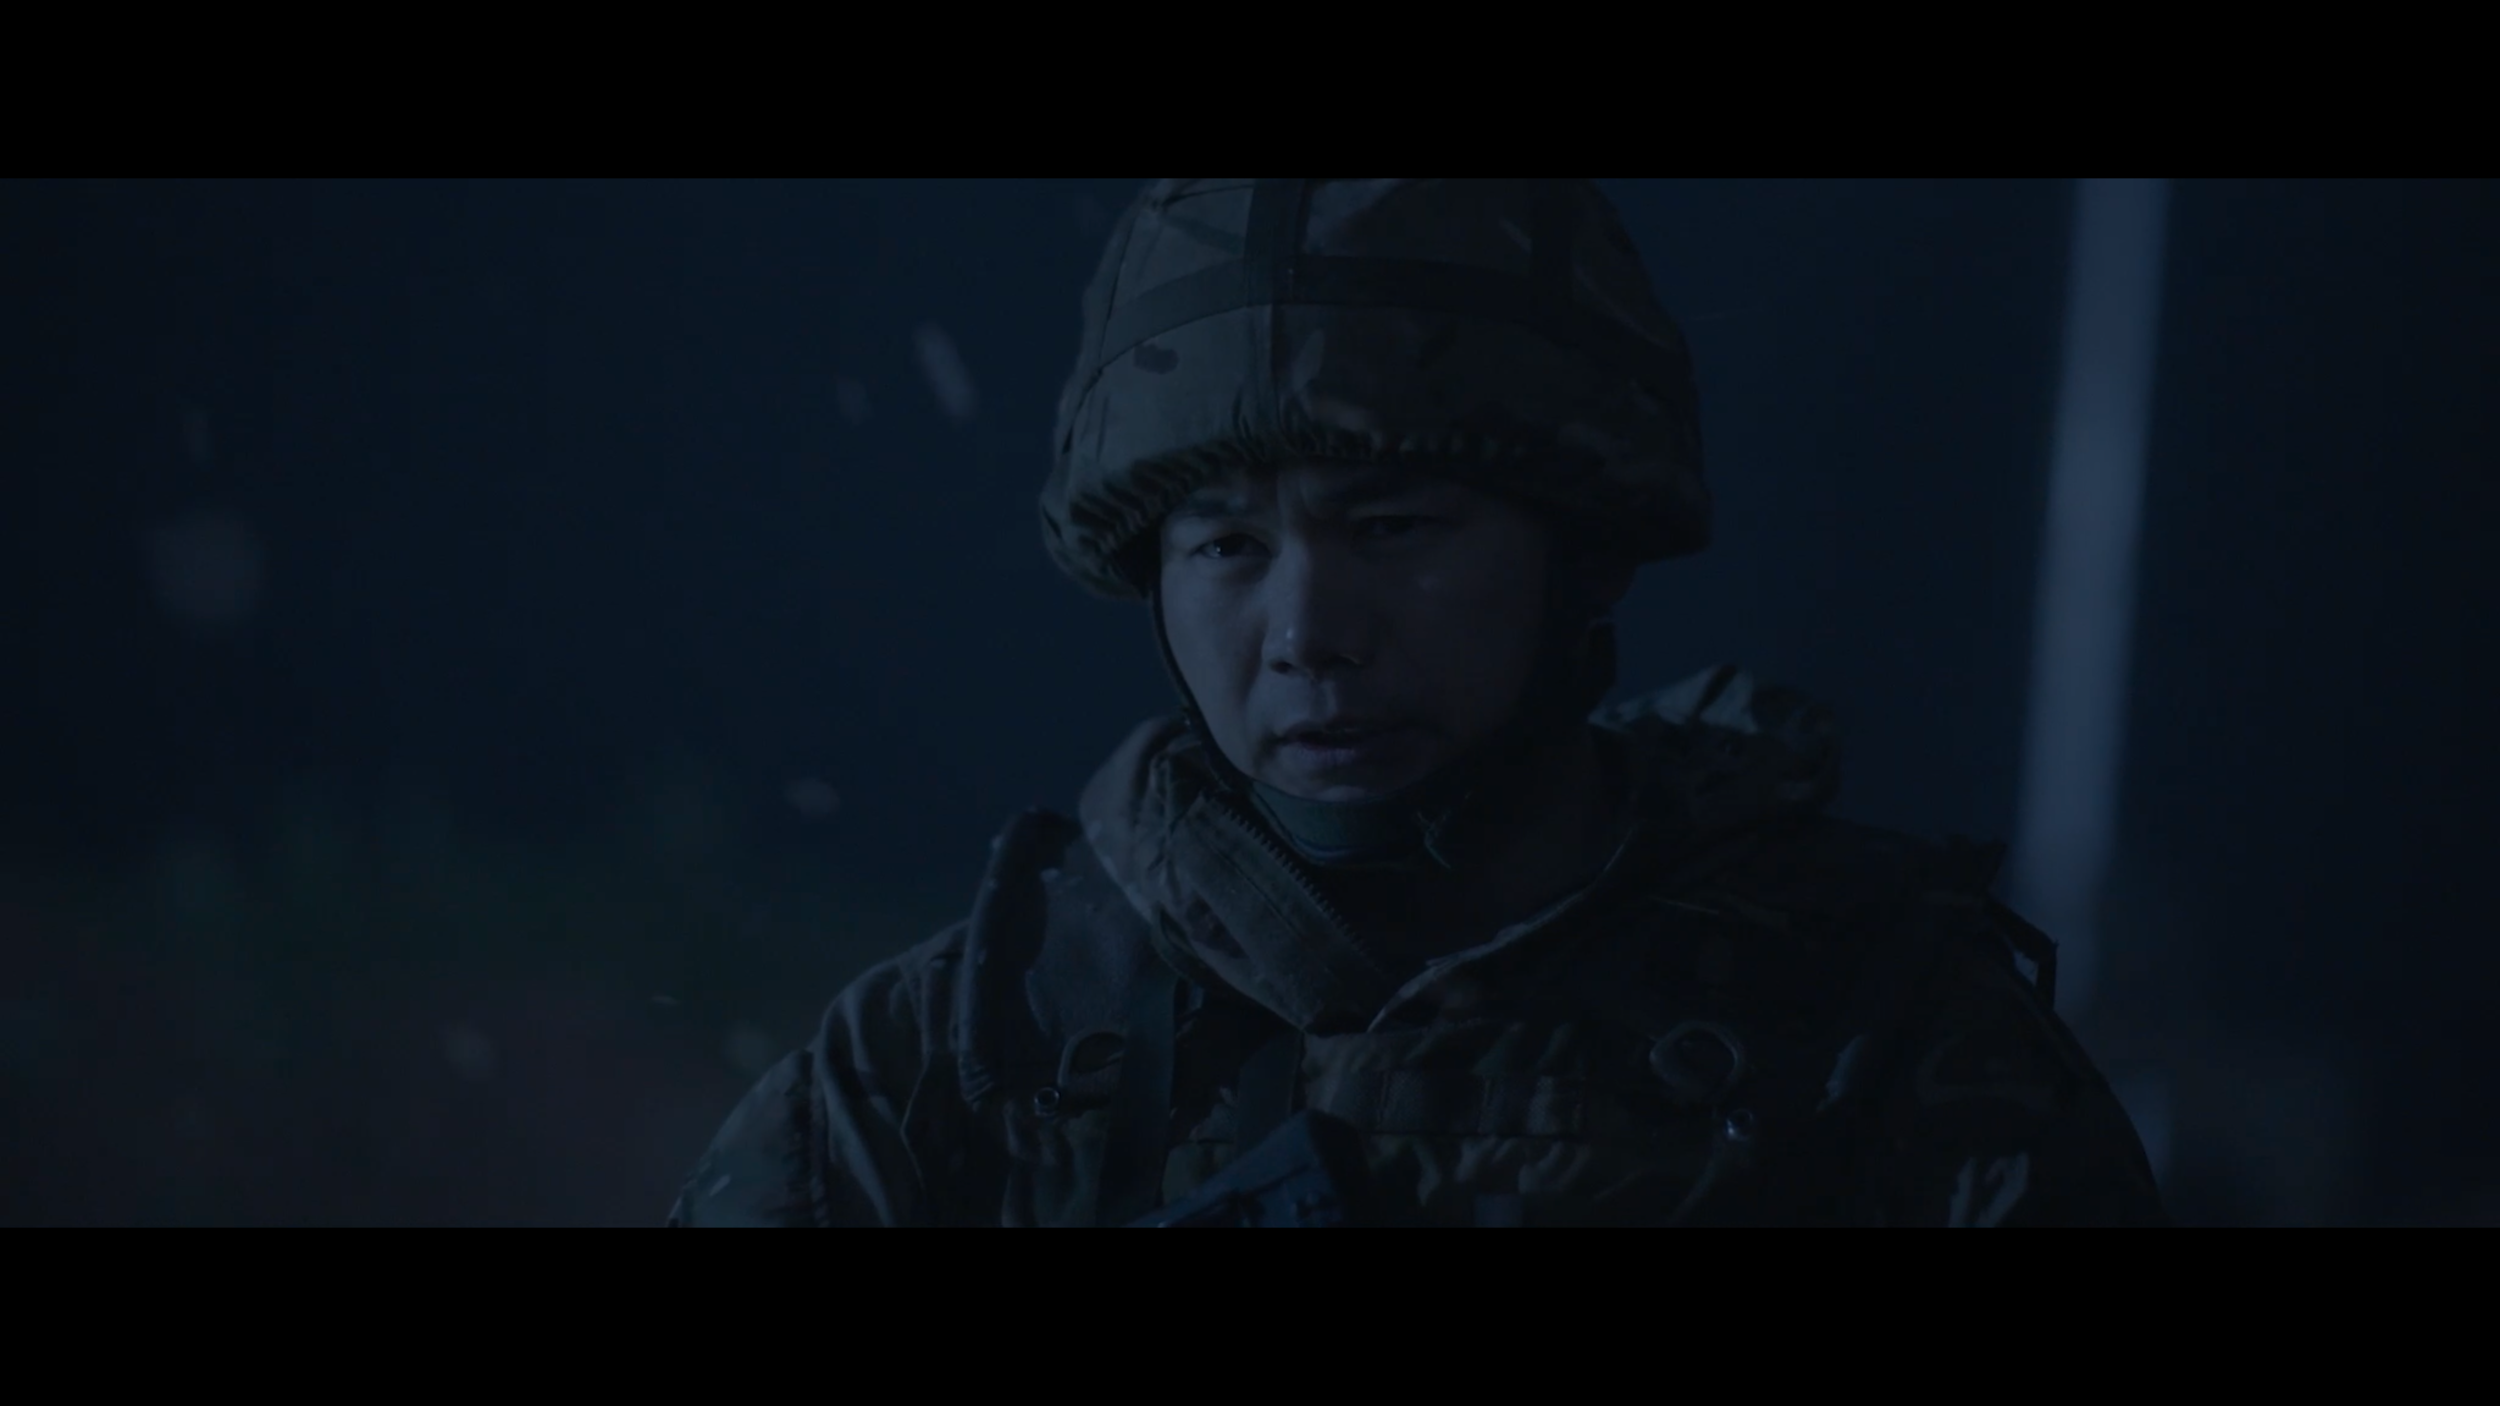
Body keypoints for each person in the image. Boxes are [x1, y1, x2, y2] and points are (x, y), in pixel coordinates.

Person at [668, 179, 2168, 1227]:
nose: (1308, 634)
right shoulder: (957, 1059)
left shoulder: (1876, 1038)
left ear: (1579, 549)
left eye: (1394, 528)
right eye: (1229, 548)